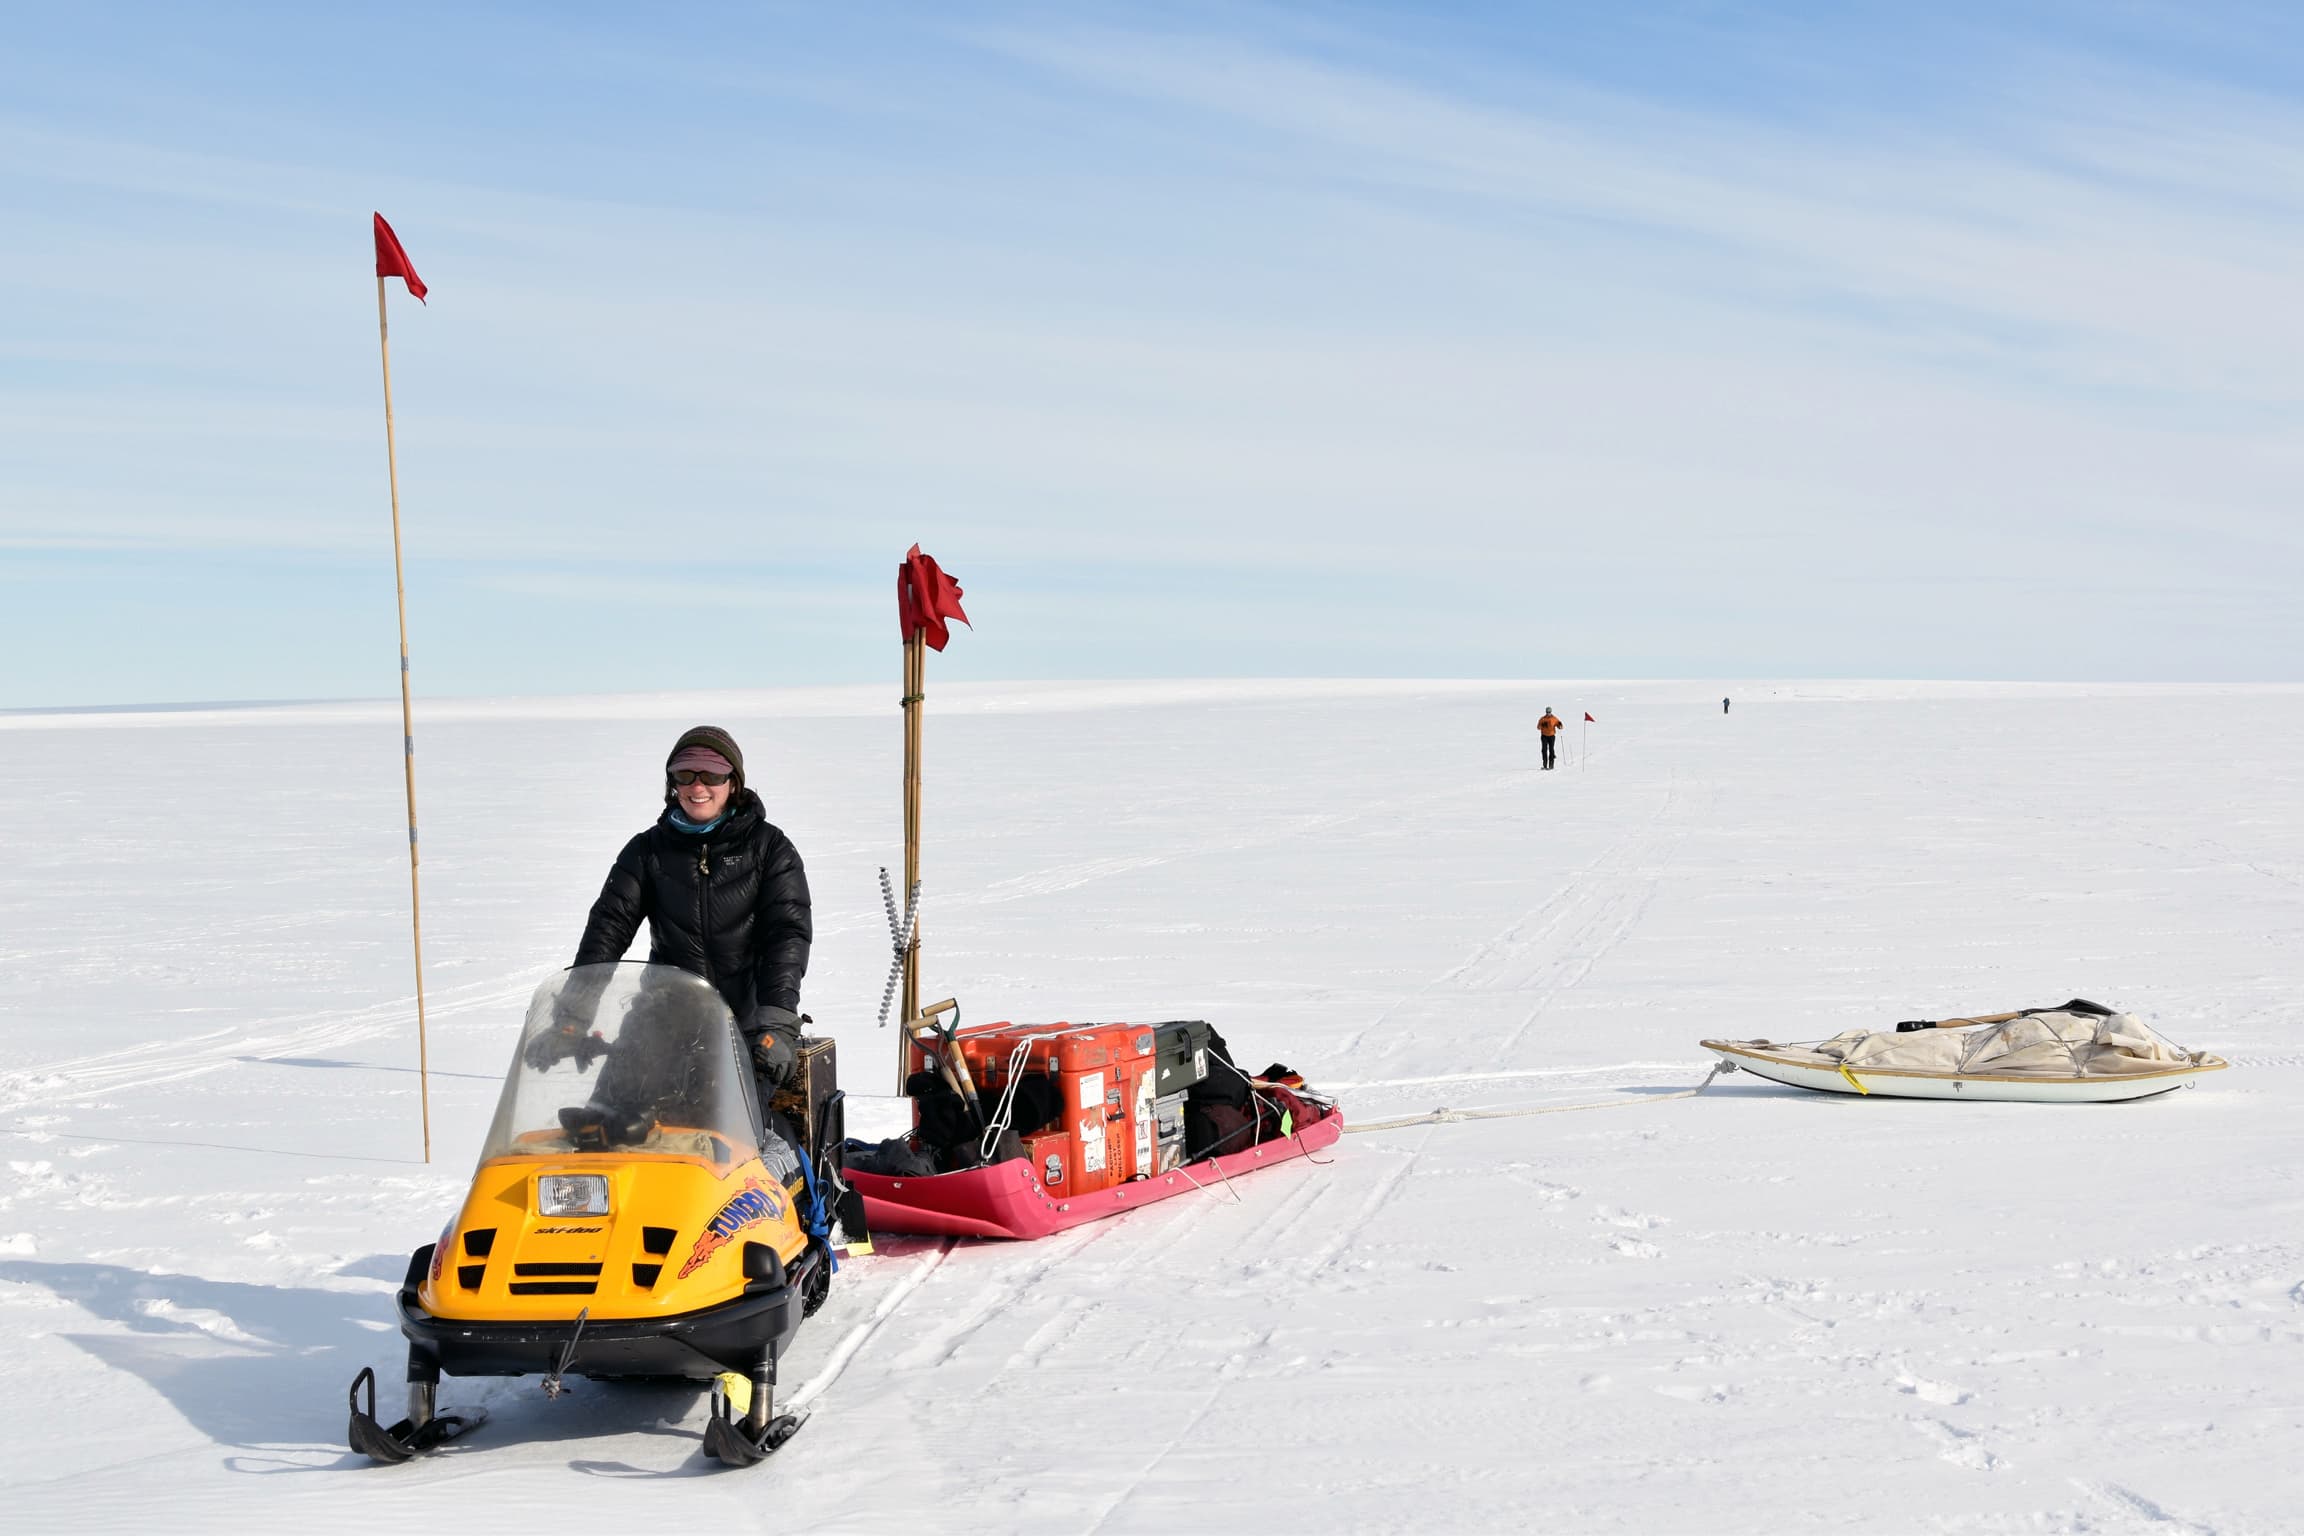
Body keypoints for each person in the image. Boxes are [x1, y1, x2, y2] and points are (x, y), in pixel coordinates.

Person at [541, 725, 814, 1105]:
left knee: (738, 1139)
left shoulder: (770, 849)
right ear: (672, 783)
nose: (697, 786)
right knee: (608, 1121)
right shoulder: (647, 851)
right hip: (662, 1019)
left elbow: (786, 935)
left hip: (747, 1022)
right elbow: (607, 929)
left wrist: (776, 1021)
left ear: (732, 783)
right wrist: (573, 1017)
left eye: (712, 774)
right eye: (685, 774)